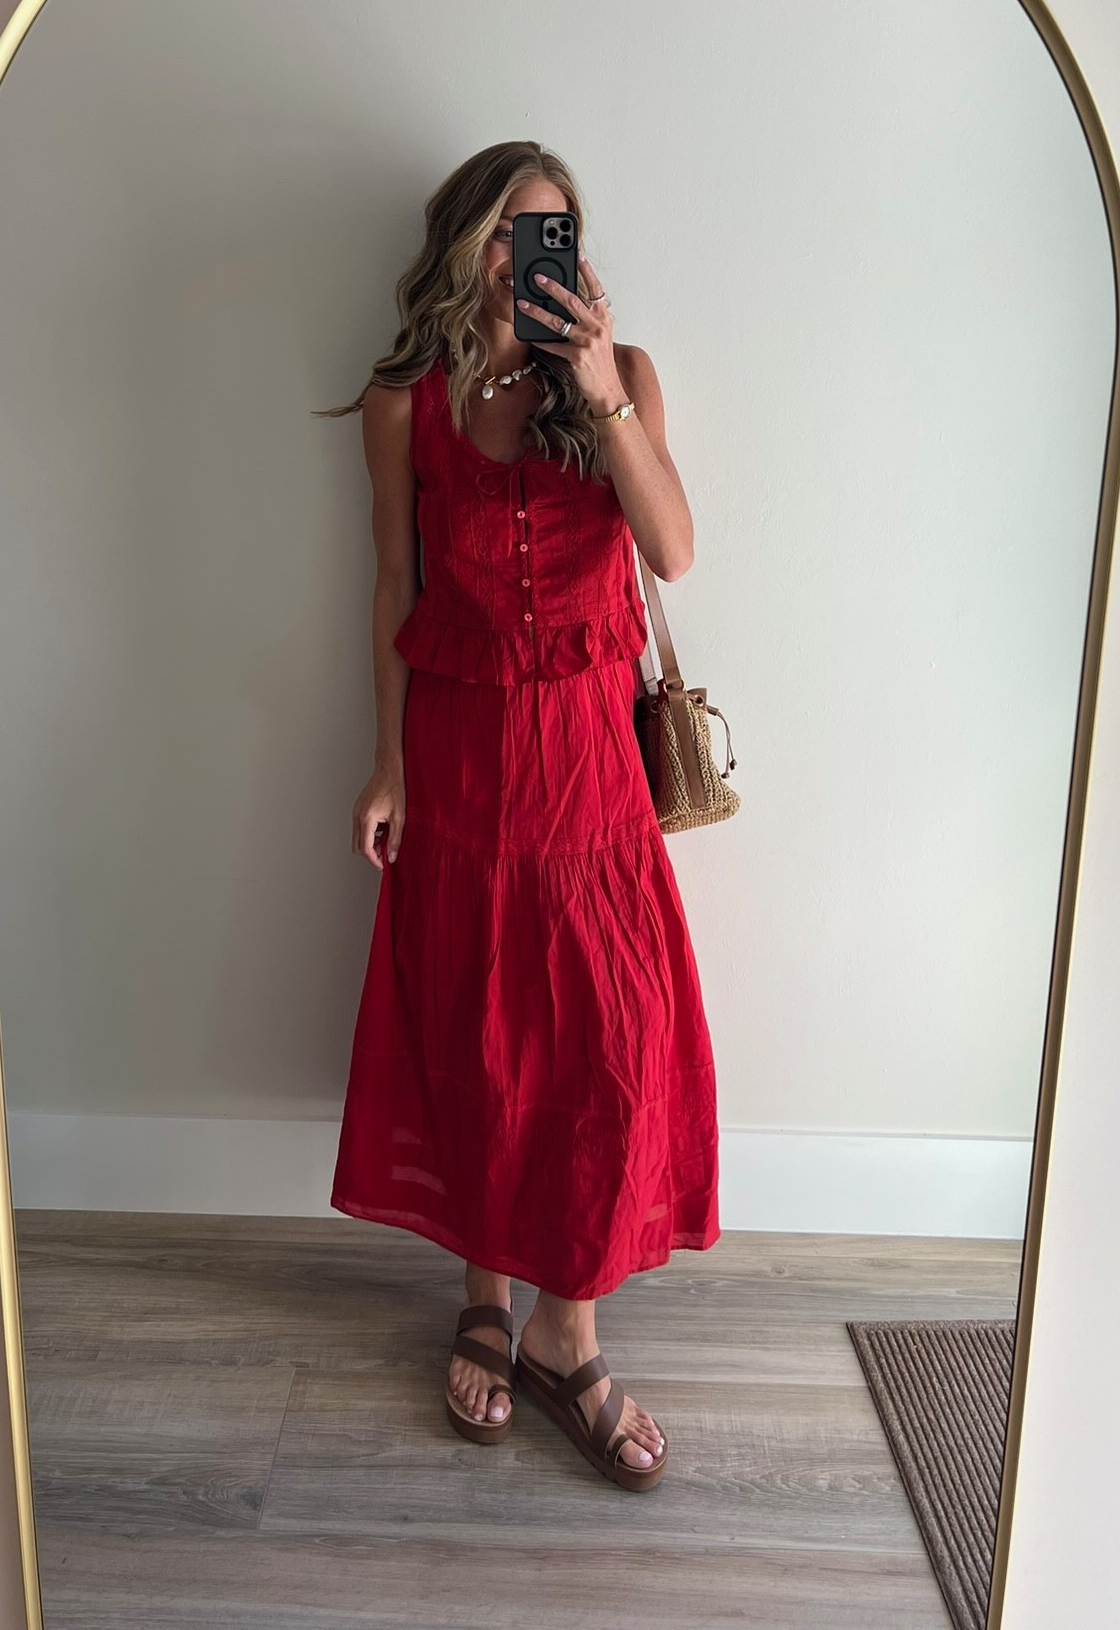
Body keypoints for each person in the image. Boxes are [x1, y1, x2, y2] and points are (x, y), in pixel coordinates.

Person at [323, 140, 720, 1490]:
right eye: (505, 233)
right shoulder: (408, 402)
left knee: (600, 1048)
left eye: (550, 236)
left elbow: (668, 549)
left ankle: (568, 1334)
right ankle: (485, 1299)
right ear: (460, 244)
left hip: (592, 775)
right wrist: (390, 765)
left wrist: (598, 384)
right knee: (484, 1037)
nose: (524, 259)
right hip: (465, 757)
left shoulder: (623, 378)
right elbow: (391, 587)